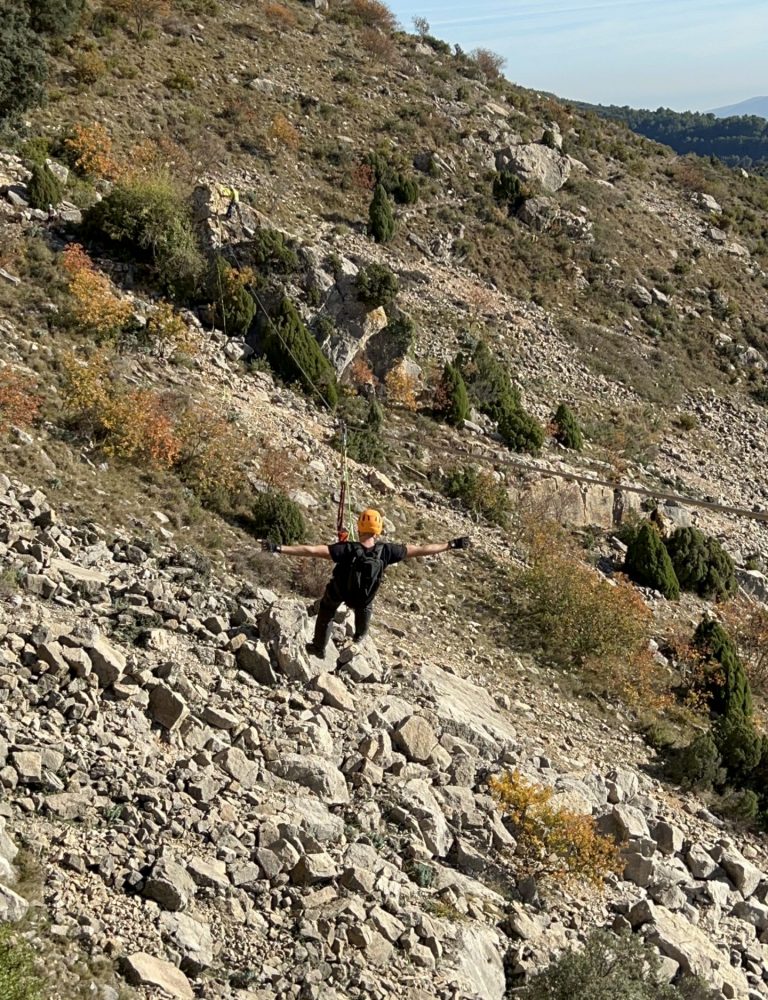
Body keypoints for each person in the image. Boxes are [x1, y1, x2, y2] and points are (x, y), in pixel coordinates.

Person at [261, 508, 470, 656]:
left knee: (327, 609)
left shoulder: (348, 549)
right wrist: (451, 544)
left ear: (359, 526)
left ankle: (318, 648)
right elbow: (422, 548)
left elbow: (311, 551)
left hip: (340, 592)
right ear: (378, 530)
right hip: (363, 599)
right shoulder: (387, 551)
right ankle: (359, 638)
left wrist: (278, 548)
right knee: (366, 605)